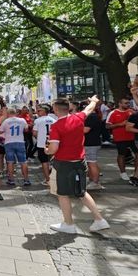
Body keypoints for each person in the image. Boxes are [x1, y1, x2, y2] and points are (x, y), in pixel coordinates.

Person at [46, 96, 110, 234]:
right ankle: (99, 219)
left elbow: (53, 148)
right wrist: (93, 100)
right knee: (81, 192)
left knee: (62, 194)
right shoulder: (79, 117)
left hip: (63, 163)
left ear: (55, 110)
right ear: (68, 108)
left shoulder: (56, 126)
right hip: (80, 161)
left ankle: (68, 224)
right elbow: (89, 108)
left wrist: (47, 150)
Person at [106, 98, 138, 186]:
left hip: (133, 137)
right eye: (125, 103)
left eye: (128, 103)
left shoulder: (132, 112)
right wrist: (120, 124)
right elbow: (107, 126)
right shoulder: (113, 113)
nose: (127, 105)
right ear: (120, 103)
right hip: (120, 137)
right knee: (122, 154)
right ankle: (123, 172)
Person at [0, 108, 30, 186]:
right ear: (15, 113)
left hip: (9, 142)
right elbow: (26, 129)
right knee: (23, 162)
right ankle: (26, 180)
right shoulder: (22, 120)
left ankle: (11, 179)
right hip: (20, 142)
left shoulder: (6, 121)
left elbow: (0, 131)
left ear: (8, 114)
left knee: (10, 162)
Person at [32, 105, 56, 186]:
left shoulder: (38, 121)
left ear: (44, 111)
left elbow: (34, 133)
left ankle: (48, 180)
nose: (38, 112)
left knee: (44, 162)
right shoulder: (54, 120)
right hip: (53, 143)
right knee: (53, 161)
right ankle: (54, 178)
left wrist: (39, 137)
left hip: (42, 144)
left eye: (39, 111)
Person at [83, 106, 105, 190]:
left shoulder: (92, 117)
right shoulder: (94, 116)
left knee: (92, 163)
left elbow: (85, 130)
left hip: (91, 143)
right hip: (92, 143)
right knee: (90, 163)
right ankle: (93, 180)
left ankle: (95, 182)